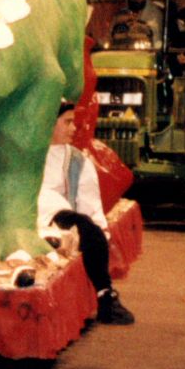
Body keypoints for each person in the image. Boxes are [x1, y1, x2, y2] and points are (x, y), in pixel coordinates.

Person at [38, 107, 133, 324]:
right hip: (22, 218)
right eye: (67, 122)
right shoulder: (24, 151)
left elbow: (89, 204)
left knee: (88, 228)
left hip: (59, 217)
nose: (74, 128)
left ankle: (106, 296)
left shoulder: (77, 161)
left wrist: (99, 233)